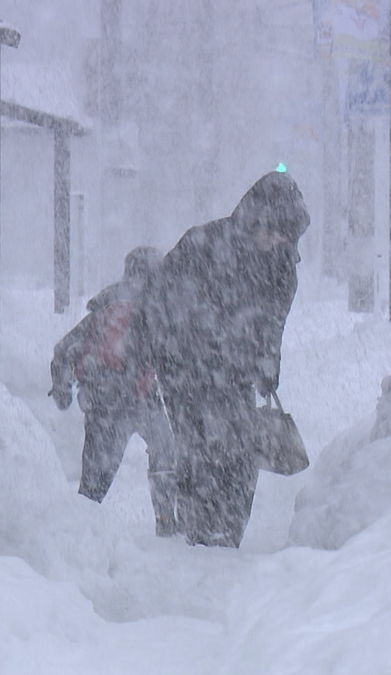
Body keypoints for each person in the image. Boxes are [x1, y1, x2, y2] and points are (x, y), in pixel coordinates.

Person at [128, 171, 310, 547]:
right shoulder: (203, 245)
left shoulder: (280, 266)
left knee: (240, 454)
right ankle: (200, 533)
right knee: (199, 450)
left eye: (285, 238)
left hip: (235, 375)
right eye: (273, 231)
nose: (276, 242)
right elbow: (156, 303)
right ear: (256, 218)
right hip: (185, 371)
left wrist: (268, 362)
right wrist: (158, 355)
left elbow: (274, 321)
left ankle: (227, 537)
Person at [50, 246, 178, 536]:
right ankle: (166, 519)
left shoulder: (106, 306)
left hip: (104, 403)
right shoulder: (154, 307)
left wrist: (62, 389)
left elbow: (63, 349)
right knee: (166, 451)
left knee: (95, 480)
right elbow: (169, 357)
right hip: (140, 398)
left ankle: (77, 531)